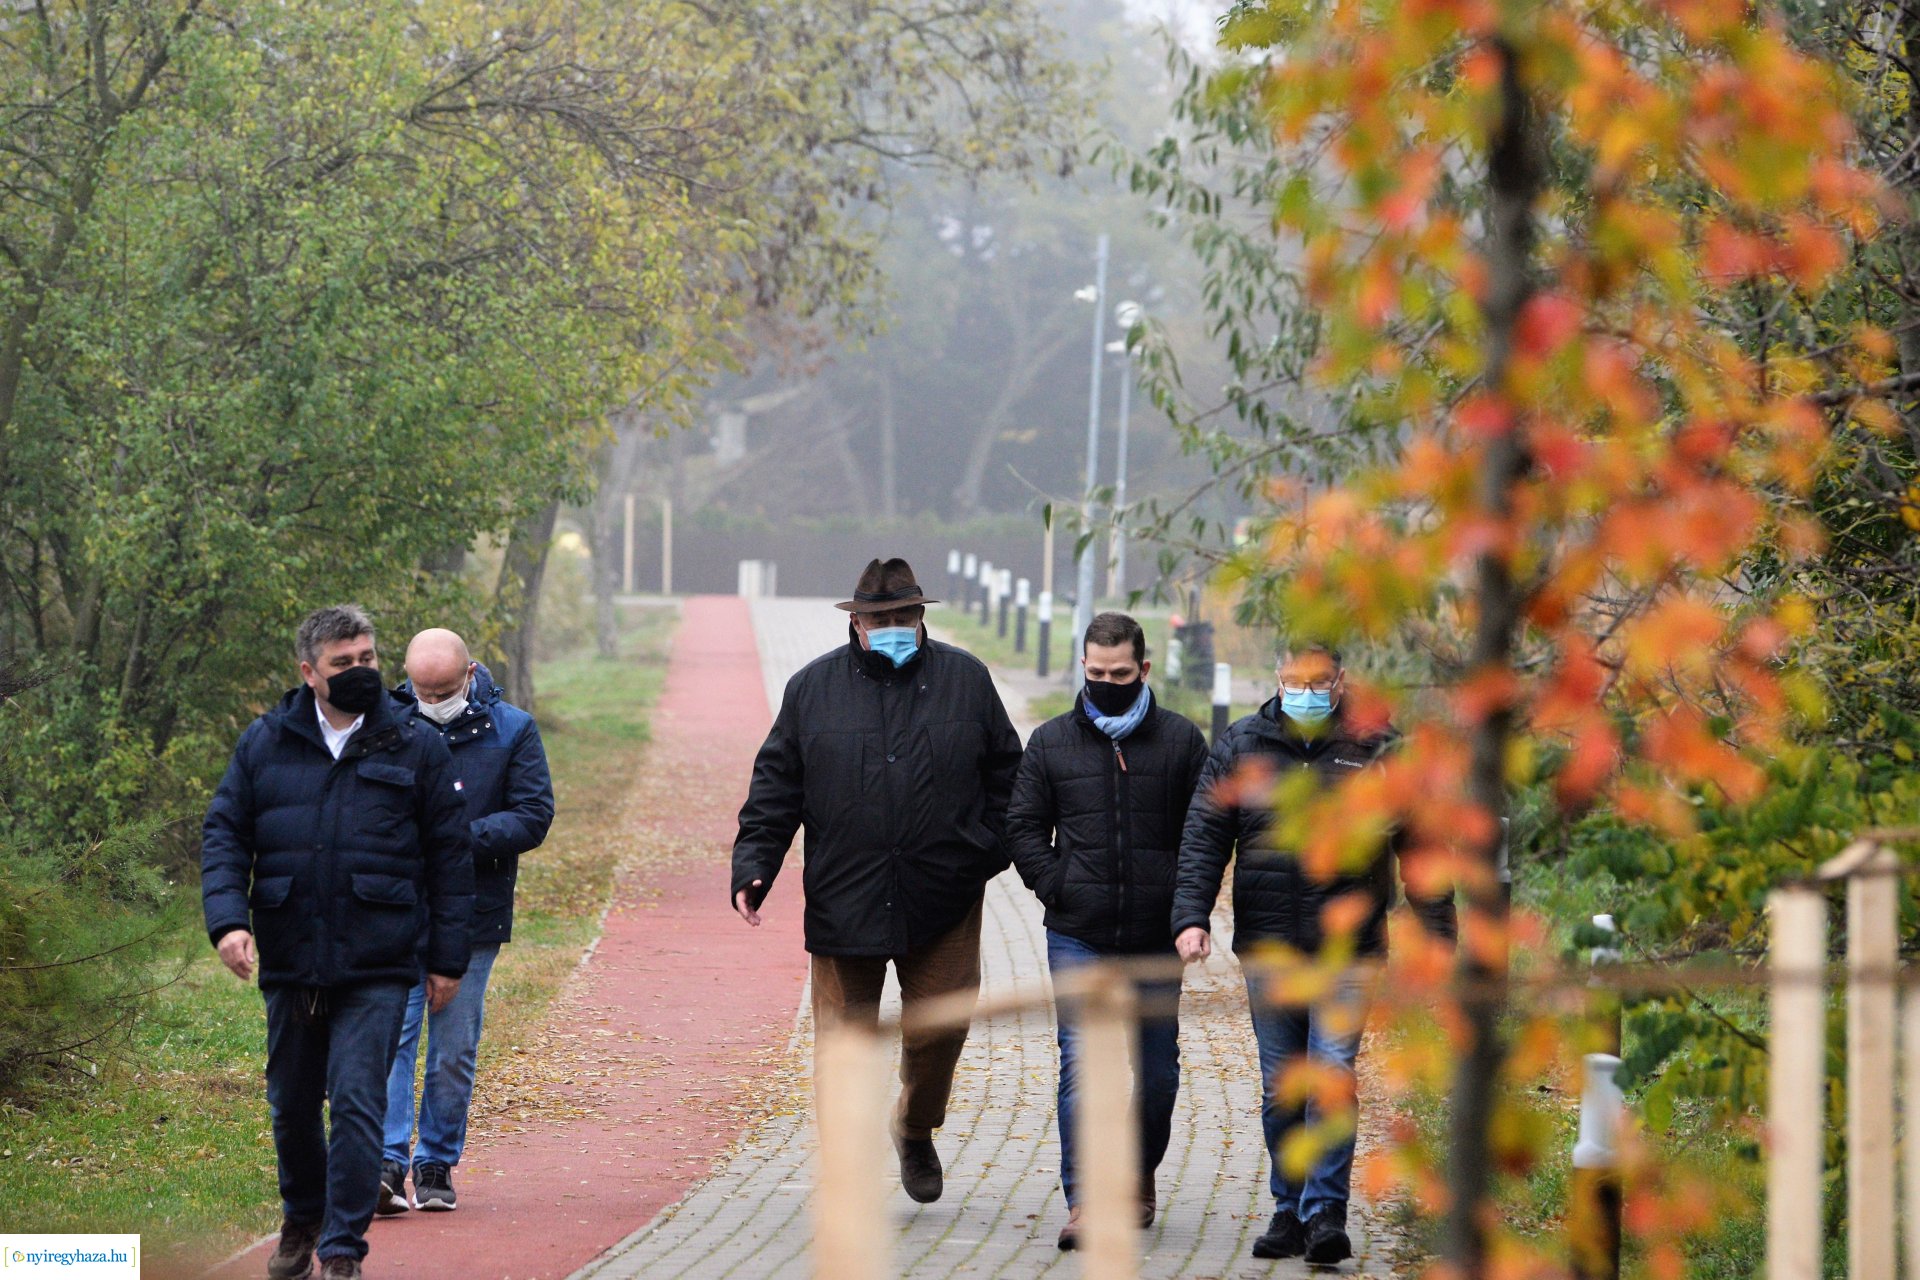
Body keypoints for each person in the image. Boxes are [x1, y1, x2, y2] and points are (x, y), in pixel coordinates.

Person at [731, 557, 1022, 1204]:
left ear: (922, 617)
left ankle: (915, 1128)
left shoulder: (967, 681)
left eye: (904, 617)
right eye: (879, 619)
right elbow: (775, 787)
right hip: (845, 896)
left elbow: (1011, 778)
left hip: (943, 893)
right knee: (844, 1043)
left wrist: (984, 851)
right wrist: (755, 866)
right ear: (855, 624)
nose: (892, 628)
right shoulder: (811, 689)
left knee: (940, 1029)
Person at [202, 605, 473, 1280]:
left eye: (368, 660)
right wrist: (228, 920)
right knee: (292, 1107)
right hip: (293, 957)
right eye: (343, 663)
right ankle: (302, 1218)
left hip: (378, 960)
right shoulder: (265, 742)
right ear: (307, 671)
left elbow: (449, 858)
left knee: (357, 1103)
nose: (360, 672)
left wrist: (446, 959)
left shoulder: (414, 744)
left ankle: (343, 1249)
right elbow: (226, 834)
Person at [1171, 644, 1455, 1266]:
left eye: (1318, 681)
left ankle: (1325, 1211)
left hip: (1349, 951)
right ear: (1276, 677)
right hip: (1269, 946)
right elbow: (1204, 835)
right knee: (1282, 1090)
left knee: (1330, 1077)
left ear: (1340, 681)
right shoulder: (1242, 745)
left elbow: (1424, 845)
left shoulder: (1379, 748)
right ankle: (1287, 1205)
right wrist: (1191, 917)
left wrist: (1437, 933)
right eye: (1294, 680)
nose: (1305, 691)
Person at [1006, 612, 1209, 1250]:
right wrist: (1057, 884)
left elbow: (1203, 835)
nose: (1107, 683)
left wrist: (1188, 913)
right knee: (1081, 1066)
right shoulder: (1050, 742)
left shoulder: (1181, 742)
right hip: (1080, 932)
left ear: (1143, 670)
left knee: (1156, 1075)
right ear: (1083, 669)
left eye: (1119, 674)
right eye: (1096, 674)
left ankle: (1136, 1175)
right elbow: (1022, 827)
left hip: (1156, 936)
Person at [377, 628, 554, 1215]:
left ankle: (435, 1162)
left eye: (444, 690)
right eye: (421, 690)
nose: (432, 700)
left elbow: (532, 814)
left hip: (474, 912)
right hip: (396, 908)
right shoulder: (383, 723)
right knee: (392, 1039)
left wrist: (456, 840)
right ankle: (386, 1160)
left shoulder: (513, 729)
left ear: (470, 673)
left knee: (453, 1045)